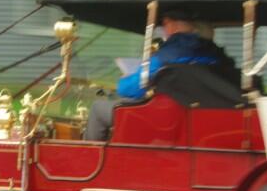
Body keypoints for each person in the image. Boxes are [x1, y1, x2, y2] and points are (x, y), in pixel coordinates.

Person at [84, 9, 234, 141]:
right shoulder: (216, 56)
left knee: (98, 108)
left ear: (171, 24)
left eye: (165, 24)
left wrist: (125, 80)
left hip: (161, 118)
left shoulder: (169, 54)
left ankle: (89, 159)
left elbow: (129, 89)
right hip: (201, 119)